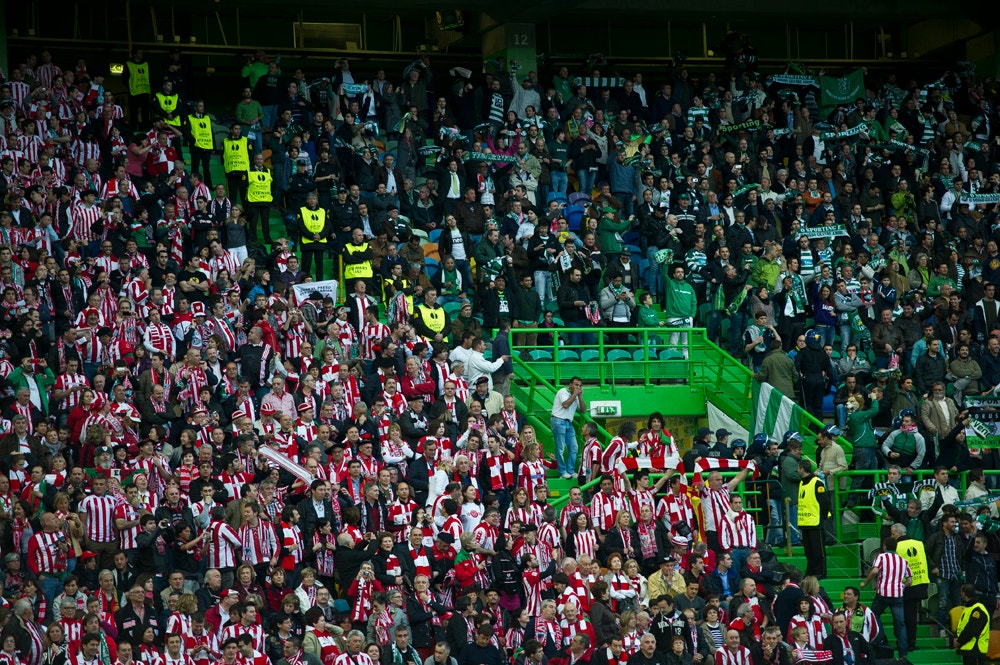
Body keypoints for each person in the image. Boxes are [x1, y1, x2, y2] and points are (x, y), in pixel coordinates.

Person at [860, 538, 910, 660]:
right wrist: (901, 587)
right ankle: (903, 654)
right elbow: (910, 580)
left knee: (874, 614)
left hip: (883, 593)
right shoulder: (903, 560)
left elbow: (875, 571)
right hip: (897, 595)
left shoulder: (881, 557)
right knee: (900, 624)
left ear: (884, 546)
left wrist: (865, 582)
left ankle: (881, 639)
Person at [795, 459, 829, 579]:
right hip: (805, 522)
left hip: (815, 521)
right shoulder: (801, 483)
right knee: (809, 551)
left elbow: (825, 501)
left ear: (802, 469)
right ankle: (810, 571)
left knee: (818, 550)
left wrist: (823, 517)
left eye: (798, 468)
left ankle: (821, 572)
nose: (797, 471)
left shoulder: (817, 482)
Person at [551, 376, 586, 479]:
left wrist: (579, 397)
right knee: (561, 447)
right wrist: (575, 395)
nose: (578, 387)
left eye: (580, 386)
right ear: (570, 385)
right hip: (558, 420)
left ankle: (570, 470)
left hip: (568, 422)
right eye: (576, 385)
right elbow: (565, 404)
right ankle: (562, 471)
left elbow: (583, 410)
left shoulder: (575, 396)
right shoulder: (562, 391)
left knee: (574, 447)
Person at [953, 584, 990, 665]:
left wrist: (959, 641)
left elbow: (970, 630)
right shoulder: (968, 608)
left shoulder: (978, 610)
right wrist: (956, 637)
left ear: (963, 593)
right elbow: (961, 626)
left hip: (975, 650)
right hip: (967, 649)